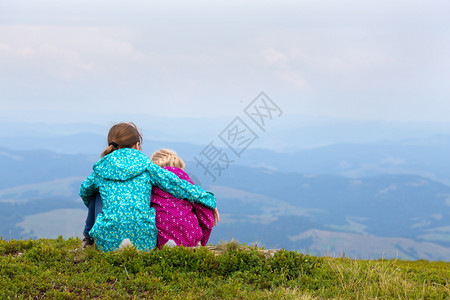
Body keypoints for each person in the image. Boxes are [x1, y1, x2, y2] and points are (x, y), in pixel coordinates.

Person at [79, 122, 216, 252]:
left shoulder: (101, 169)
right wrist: (208, 199)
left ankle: (88, 238)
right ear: (137, 145)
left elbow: (84, 191)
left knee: (95, 191)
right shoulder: (147, 166)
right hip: (144, 242)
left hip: (107, 242)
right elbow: (177, 184)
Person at [150, 149, 219, 249]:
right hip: (190, 238)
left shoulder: (150, 181)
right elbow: (203, 209)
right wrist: (202, 238)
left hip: (160, 240)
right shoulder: (183, 180)